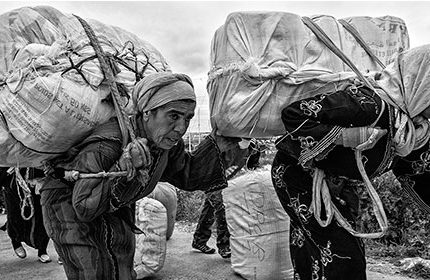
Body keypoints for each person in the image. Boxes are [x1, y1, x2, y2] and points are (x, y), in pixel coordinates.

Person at [39, 72, 248, 280]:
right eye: (174, 116)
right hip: (69, 211)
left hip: (113, 208)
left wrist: (218, 145)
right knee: (95, 270)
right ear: (147, 112)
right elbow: (84, 206)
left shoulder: (164, 145)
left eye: (188, 118)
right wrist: (123, 165)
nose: (181, 128)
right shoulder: (108, 144)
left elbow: (188, 173)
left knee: (122, 268)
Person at [271, 44, 430, 280]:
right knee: (343, 258)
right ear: (422, 85)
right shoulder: (368, 104)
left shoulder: (416, 132)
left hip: (340, 185)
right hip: (299, 176)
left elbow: (417, 171)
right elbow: (295, 114)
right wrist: (346, 137)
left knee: (318, 251)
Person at [192, 139, 260, 259]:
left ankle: (199, 240)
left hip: (227, 180)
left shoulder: (254, 148)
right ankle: (224, 245)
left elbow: (253, 167)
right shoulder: (226, 145)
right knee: (222, 208)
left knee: (209, 210)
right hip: (212, 179)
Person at [0, 167, 51, 263]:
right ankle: (15, 242)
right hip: (13, 190)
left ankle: (42, 250)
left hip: (36, 187)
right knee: (15, 218)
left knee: (41, 219)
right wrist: (8, 170)